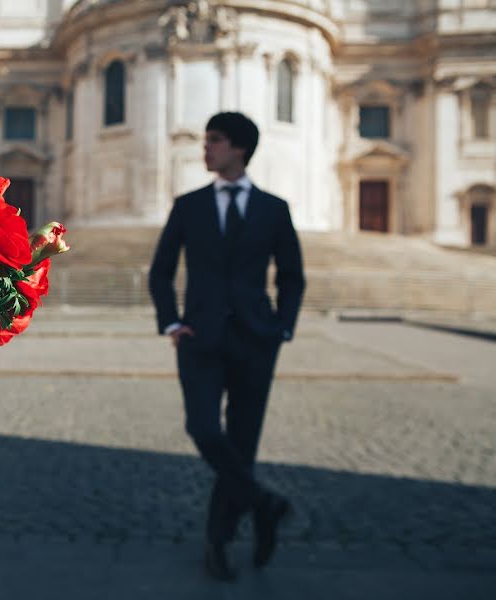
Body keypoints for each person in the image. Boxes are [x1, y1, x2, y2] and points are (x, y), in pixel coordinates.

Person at [148, 112, 305, 581]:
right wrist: (172, 322)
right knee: (203, 429)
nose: (205, 148)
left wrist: (283, 329)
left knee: (242, 444)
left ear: (239, 147)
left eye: (214, 140)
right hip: (199, 338)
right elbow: (160, 271)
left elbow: (293, 276)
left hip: (257, 341)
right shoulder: (189, 204)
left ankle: (218, 541)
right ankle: (265, 504)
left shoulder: (274, 209)